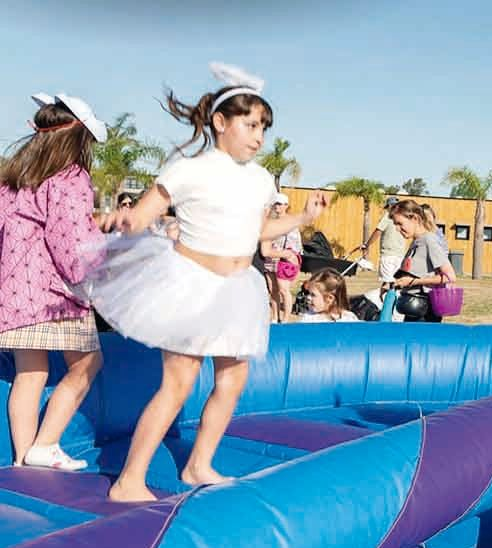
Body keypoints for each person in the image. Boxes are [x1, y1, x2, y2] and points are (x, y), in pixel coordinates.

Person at [82, 63, 327, 502]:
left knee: (232, 381)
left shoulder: (260, 178)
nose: (258, 136)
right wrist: (122, 219)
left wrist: (304, 218)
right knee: (177, 383)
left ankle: (198, 464)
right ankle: (128, 480)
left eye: (264, 128)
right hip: (192, 284)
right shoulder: (188, 170)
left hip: (238, 288)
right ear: (220, 122)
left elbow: (259, 232)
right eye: (250, 125)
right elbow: (141, 217)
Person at [0, 92, 108, 470]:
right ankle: (45, 445)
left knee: (31, 374)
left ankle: (20, 463)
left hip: (14, 294)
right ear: (78, 138)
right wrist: (96, 274)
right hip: (53, 296)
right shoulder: (70, 178)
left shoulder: (14, 178)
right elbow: (72, 244)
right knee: (88, 364)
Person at [390, 199, 456, 323]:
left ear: (415, 219)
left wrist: (414, 282)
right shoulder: (416, 242)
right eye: (395, 225)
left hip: (425, 313)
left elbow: (450, 276)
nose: (397, 229)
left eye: (400, 223)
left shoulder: (429, 241)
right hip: (411, 310)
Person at [260, 192, 303, 322]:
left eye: (279, 204)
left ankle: (285, 319)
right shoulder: (270, 222)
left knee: (284, 289)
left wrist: (292, 260)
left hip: (283, 261)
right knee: (273, 290)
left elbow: (295, 246)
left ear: (286, 205)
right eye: (275, 204)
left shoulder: (290, 223)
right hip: (270, 260)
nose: (276, 207)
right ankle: (274, 317)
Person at [360, 197, 408, 283]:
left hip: (388, 255)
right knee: (397, 283)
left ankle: (386, 296)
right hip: (400, 255)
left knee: (386, 284)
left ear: (389, 206)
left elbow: (378, 231)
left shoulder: (388, 216)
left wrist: (367, 245)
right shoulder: (403, 217)